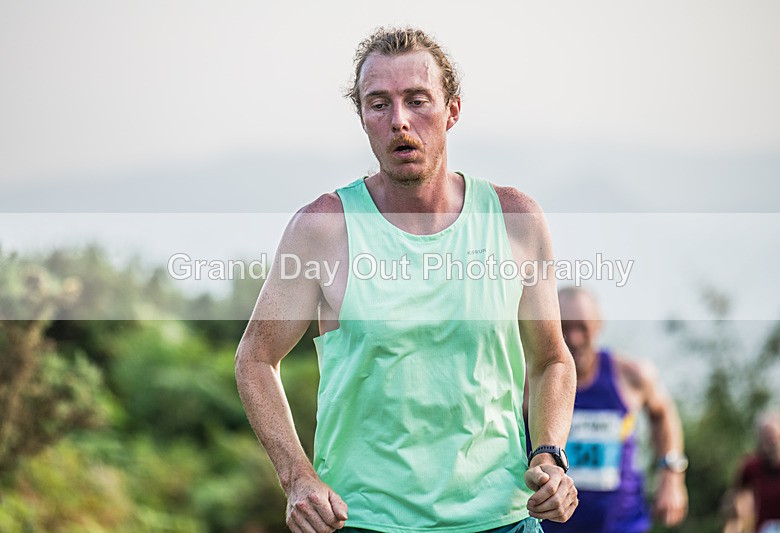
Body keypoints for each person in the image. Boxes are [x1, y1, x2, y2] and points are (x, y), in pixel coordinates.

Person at [234, 27, 578, 533]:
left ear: (452, 111)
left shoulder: (514, 218)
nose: (399, 121)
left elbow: (551, 359)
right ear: (363, 119)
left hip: (501, 520)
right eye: (379, 104)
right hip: (364, 521)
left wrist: (548, 455)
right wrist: (298, 478)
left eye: (417, 101)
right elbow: (255, 358)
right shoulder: (323, 228)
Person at [534, 287, 688, 532]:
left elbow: (663, 414)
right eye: (565, 327)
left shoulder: (631, 376)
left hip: (623, 524)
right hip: (549, 526)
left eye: (581, 327)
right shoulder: (530, 381)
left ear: (598, 325)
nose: (573, 338)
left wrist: (672, 475)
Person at [731, 409, 780, 533]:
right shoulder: (751, 467)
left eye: (777, 437)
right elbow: (737, 502)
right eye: (767, 438)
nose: (773, 443)